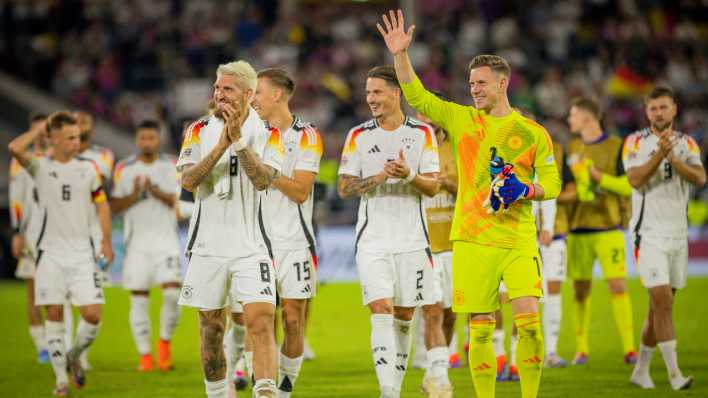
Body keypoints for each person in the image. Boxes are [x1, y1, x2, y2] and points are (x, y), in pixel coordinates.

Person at [377, 10, 561, 398]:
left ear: (503, 83)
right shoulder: (461, 120)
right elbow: (416, 95)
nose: (474, 89)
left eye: (481, 83)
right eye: (471, 83)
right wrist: (400, 55)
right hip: (472, 241)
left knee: (528, 321)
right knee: (480, 324)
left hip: (518, 240)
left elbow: (553, 182)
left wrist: (526, 191)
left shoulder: (532, 132)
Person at [338, 65, 448, 398]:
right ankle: (388, 391)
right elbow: (344, 188)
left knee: (405, 313)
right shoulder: (358, 135)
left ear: (395, 93)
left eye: (377, 92)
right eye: (368, 92)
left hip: (414, 240)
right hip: (373, 240)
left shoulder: (422, 134)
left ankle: (401, 385)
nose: (370, 98)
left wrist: (408, 174)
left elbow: (432, 187)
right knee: (382, 309)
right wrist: (382, 177)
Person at [177, 60, 283, 398]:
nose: (219, 95)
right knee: (211, 328)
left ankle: (264, 392)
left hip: (252, 244)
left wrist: (238, 143)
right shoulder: (197, 130)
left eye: (228, 89)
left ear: (249, 94)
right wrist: (222, 144)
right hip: (207, 244)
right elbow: (189, 182)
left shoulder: (270, 133)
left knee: (261, 321)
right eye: (217, 88)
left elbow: (264, 180)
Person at [8, 111, 114, 396]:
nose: (76, 142)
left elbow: (102, 205)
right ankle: (60, 382)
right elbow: (15, 148)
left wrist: (106, 241)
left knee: (92, 315)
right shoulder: (39, 167)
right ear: (53, 138)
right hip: (49, 255)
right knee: (53, 313)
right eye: (69, 138)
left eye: (78, 137)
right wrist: (39, 128)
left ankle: (74, 354)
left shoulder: (89, 168)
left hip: (82, 254)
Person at [625, 86, 705, 390]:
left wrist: (675, 157)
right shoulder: (635, 142)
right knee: (662, 300)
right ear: (646, 112)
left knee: (659, 308)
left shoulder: (688, 144)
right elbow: (635, 179)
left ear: (674, 109)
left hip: (677, 234)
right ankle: (675, 375)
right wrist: (660, 154)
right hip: (648, 234)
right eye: (653, 108)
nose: (658, 113)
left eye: (663, 107)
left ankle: (641, 370)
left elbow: (700, 178)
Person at [252, 68, 323, 398]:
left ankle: (284, 390)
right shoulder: (250, 133)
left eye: (257, 93)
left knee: (293, 319)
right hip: (255, 243)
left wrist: (268, 172)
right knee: (258, 321)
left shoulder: (307, 135)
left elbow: (300, 191)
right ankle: (259, 383)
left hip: (295, 242)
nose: (253, 99)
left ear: (276, 95)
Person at [565, 96, 636, 365]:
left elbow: (628, 186)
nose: (569, 120)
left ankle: (629, 349)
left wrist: (597, 178)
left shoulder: (617, 146)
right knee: (580, 290)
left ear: (586, 117)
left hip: (608, 227)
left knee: (618, 285)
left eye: (573, 114)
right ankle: (581, 349)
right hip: (579, 228)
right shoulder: (572, 147)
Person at [110, 120, 182, 372]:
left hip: (166, 242)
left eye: (151, 138)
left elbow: (177, 201)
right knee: (139, 300)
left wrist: (153, 190)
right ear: (136, 140)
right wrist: (136, 193)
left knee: (173, 294)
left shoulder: (171, 165)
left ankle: (164, 344)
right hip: (137, 244)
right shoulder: (124, 168)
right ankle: (145, 356)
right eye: (143, 138)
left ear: (158, 139)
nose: (147, 142)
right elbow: (114, 206)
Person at [413, 94, 462, 389]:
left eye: (427, 114)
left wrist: (447, 183)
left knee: (451, 313)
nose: (423, 120)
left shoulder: (457, 148)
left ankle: (434, 368)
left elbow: (470, 188)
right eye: (420, 115)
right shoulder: (413, 146)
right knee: (431, 308)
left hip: (454, 241)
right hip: (423, 242)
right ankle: (435, 371)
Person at [9, 113, 50, 364]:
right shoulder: (20, 163)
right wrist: (18, 232)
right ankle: (41, 345)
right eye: (37, 130)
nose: (42, 134)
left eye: (45, 129)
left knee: (59, 293)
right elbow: (17, 199)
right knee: (33, 291)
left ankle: (58, 339)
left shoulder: (60, 160)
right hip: (32, 234)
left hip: (58, 235)